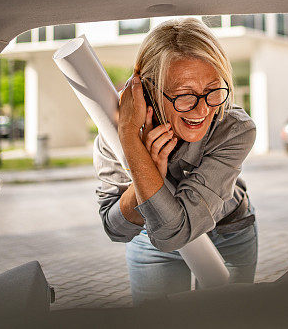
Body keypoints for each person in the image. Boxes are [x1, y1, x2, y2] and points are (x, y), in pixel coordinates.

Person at [93, 17, 258, 305]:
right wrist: (138, 156)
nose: (203, 109)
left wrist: (132, 143)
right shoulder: (114, 134)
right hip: (151, 241)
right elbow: (115, 228)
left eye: (213, 89)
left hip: (229, 234)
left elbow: (177, 231)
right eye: (184, 96)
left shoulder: (234, 129)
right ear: (147, 91)